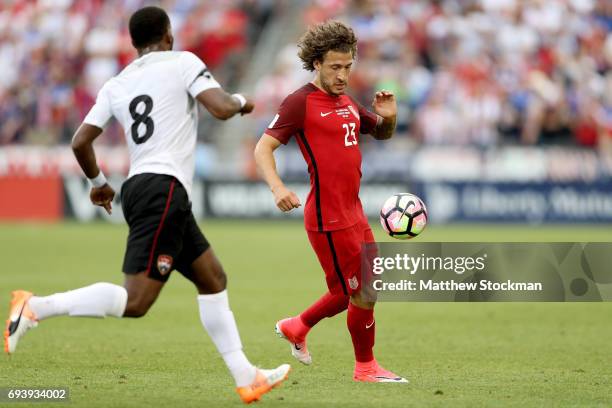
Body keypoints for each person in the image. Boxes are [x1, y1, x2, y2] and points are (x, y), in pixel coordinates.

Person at [4, 6, 289, 404]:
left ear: (135, 44)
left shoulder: (117, 82)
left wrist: (99, 184)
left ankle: (246, 376)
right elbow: (222, 107)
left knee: (212, 278)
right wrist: (243, 100)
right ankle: (35, 306)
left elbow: (80, 141)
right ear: (169, 35)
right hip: (163, 189)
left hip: (142, 187)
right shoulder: (183, 62)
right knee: (135, 301)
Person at [254, 20, 407, 383]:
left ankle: (298, 326)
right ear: (317, 64)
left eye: (348, 67)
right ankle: (365, 368)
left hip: (354, 212)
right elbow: (263, 148)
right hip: (328, 218)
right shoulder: (299, 102)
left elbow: (381, 132)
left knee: (359, 288)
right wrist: (277, 188)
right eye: (335, 67)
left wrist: (390, 117)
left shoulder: (346, 102)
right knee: (358, 292)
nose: (342, 75)